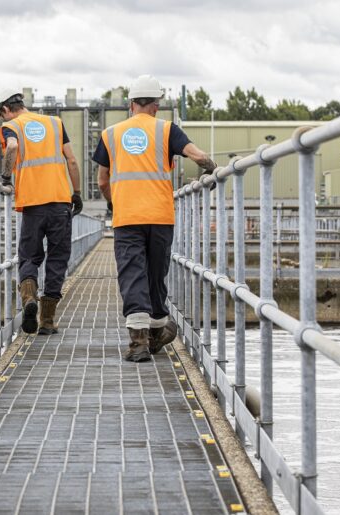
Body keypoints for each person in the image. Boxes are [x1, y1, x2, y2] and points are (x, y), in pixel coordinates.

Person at [93, 75, 217, 362]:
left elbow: (102, 181)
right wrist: (211, 171)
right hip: (160, 215)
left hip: (127, 217)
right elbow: (197, 156)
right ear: (156, 106)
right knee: (156, 272)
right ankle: (158, 327)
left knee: (132, 273)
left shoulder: (110, 134)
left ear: (130, 104)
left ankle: (139, 342)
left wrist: (115, 203)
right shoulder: (166, 130)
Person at [0, 89, 83, 335]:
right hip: (60, 203)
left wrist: (4, 177)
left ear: (5, 109)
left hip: (33, 204)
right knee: (57, 259)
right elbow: (72, 161)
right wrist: (76, 193)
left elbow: (11, 148)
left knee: (30, 257)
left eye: (1, 116)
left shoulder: (12, 126)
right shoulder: (55, 123)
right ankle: (47, 320)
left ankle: (29, 298)